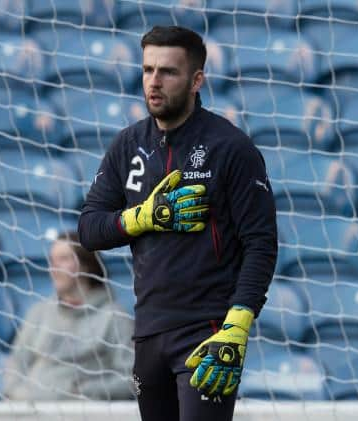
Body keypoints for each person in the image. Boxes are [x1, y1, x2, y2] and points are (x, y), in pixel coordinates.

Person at [78, 26, 278, 421]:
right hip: (148, 331)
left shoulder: (231, 148)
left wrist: (237, 324)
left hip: (206, 332)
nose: (154, 81)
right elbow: (89, 229)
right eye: (148, 69)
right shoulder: (127, 145)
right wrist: (142, 217)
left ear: (196, 79)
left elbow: (261, 243)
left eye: (168, 71)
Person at [3, 231, 135, 401]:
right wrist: (19, 394)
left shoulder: (113, 317)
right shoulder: (38, 313)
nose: (54, 267)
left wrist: (83, 391)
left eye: (63, 259)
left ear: (86, 264)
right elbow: (16, 364)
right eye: (52, 260)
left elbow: (130, 379)